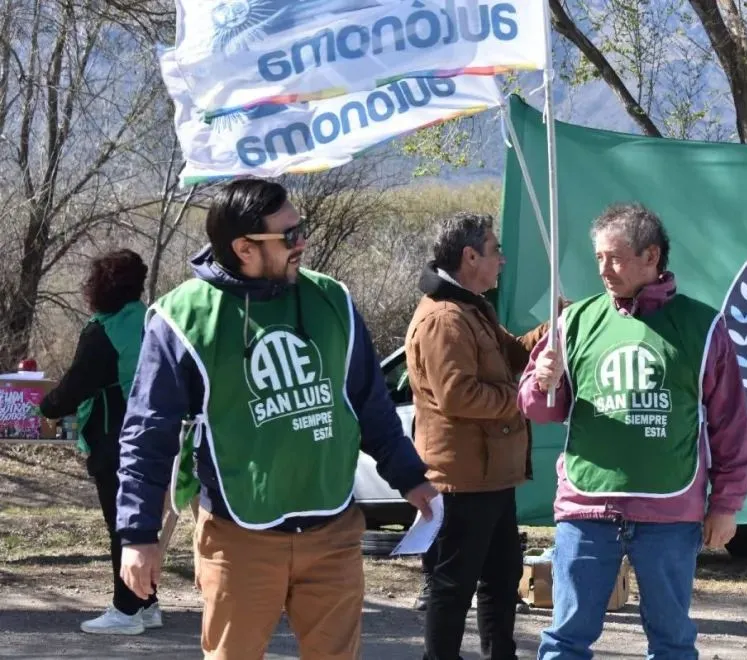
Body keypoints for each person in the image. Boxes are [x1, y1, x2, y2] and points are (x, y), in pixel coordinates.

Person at [115, 179, 437, 659]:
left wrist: (411, 478)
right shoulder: (181, 318)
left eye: (300, 228)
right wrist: (138, 535)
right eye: (289, 235)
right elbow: (147, 435)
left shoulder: (332, 301)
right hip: (238, 538)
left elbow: (370, 405)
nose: (302, 242)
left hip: (333, 531)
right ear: (244, 247)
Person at [518, 203, 747, 660]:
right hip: (586, 508)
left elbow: (731, 426)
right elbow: (540, 410)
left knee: (671, 642)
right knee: (565, 639)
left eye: (615, 257)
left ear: (651, 256)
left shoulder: (703, 326)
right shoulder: (575, 322)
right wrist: (540, 383)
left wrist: (725, 505)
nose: (604, 270)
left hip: (669, 511)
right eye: (598, 259)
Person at [405, 212, 549, 660]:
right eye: (494, 250)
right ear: (470, 257)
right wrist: (524, 396)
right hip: (460, 481)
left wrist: (558, 326)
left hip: (491, 477)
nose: (502, 260)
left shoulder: (471, 308)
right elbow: (458, 395)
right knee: (452, 589)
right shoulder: (445, 319)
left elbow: (514, 355)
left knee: (502, 583)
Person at [38, 249, 155, 634]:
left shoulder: (103, 330)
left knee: (122, 524)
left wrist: (45, 407)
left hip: (113, 438)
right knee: (141, 521)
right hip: (151, 437)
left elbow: (75, 385)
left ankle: (126, 611)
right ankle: (147, 602)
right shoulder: (149, 319)